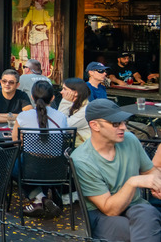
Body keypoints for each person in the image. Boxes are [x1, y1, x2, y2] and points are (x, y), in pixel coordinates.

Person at [71, 99, 161, 241]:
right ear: (95, 125)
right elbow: (110, 210)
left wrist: (157, 184)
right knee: (146, 228)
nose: (123, 127)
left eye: (124, 122)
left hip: (136, 207)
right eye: (116, 123)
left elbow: (150, 171)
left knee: (148, 214)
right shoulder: (82, 159)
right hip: (103, 215)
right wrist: (132, 182)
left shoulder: (130, 140)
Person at [11, 81, 68, 218]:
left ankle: (39, 198)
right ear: (52, 98)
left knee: (11, 166)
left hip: (30, 168)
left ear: (32, 97)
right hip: (57, 168)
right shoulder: (61, 117)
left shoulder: (23, 116)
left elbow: (15, 141)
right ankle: (42, 198)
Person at [22, 0, 53, 76]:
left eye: (40, 0)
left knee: (43, 52)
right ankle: (34, 69)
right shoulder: (32, 11)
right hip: (35, 31)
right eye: (37, 0)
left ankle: (43, 69)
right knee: (35, 51)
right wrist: (23, 26)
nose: (38, 2)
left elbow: (48, 23)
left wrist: (45, 28)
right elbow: (27, 19)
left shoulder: (44, 12)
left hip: (41, 31)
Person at [57, 77, 91, 147]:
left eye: (65, 89)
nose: (61, 92)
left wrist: (65, 102)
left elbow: (62, 127)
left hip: (83, 147)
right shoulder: (74, 105)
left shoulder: (86, 110)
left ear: (76, 93)